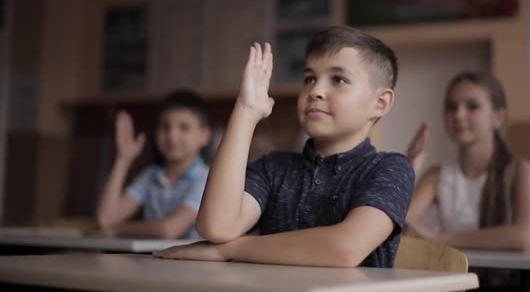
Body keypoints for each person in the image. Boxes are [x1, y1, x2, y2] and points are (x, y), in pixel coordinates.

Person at [154, 26, 414, 267]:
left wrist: (229, 250)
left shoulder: (391, 169)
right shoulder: (273, 167)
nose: (315, 91)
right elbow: (216, 227)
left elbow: (345, 248)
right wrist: (246, 113)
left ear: (380, 103)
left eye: (338, 80)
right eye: (309, 79)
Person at [405, 71, 530, 251]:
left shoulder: (520, 169)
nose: (459, 115)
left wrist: (438, 239)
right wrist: (409, 166)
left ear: (498, 118)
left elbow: (522, 237)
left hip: (506, 279)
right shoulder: (436, 175)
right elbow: (401, 222)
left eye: (472, 106)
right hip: (456, 277)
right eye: (452, 107)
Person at [96, 90, 212, 239]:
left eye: (184, 127)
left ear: (204, 136)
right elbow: (105, 219)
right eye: (165, 127)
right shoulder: (150, 176)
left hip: (191, 262)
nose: (172, 135)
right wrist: (123, 160)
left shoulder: (207, 179)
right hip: (152, 260)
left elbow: (169, 230)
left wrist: (115, 229)